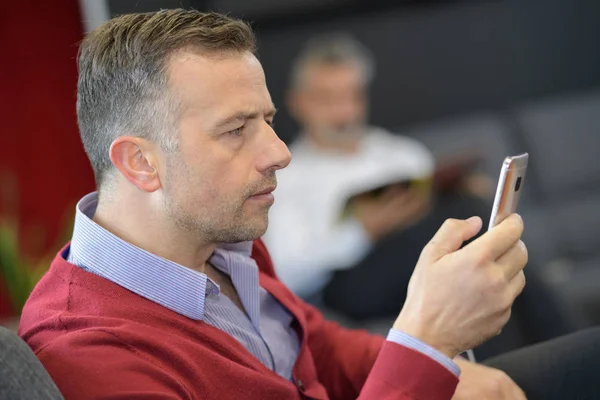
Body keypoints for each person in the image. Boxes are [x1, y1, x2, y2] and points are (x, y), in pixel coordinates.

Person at [17, 9, 600, 400]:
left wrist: (448, 368)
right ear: (140, 162)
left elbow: (321, 345)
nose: (279, 153)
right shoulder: (89, 351)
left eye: (268, 121)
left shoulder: (224, 246)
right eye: (235, 130)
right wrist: (428, 342)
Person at [263, 34, 574, 358]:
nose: (343, 112)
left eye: (352, 96)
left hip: (425, 260)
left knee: (469, 225)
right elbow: (286, 271)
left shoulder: (398, 152)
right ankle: (568, 347)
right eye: (327, 99)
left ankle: (539, 364)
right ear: (298, 102)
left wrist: (453, 192)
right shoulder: (288, 174)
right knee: (470, 227)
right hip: (351, 283)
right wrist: (362, 232)